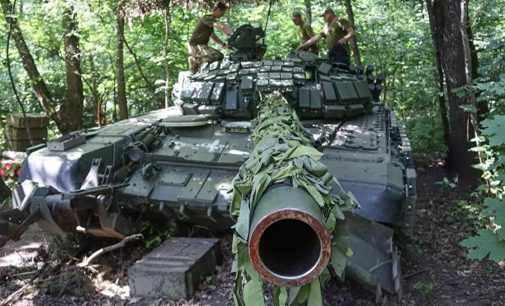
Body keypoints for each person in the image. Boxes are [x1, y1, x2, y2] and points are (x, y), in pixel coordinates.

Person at [188, 2, 233, 73]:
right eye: (222, 12)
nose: (222, 15)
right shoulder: (207, 18)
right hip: (196, 46)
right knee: (218, 56)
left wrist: (223, 45)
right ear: (217, 10)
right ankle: (195, 59)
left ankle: (196, 61)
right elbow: (219, 26)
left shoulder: (211, 21)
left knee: (195, 71)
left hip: (202, 46)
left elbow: (213, 36)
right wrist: (230, 33)